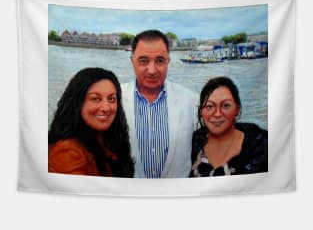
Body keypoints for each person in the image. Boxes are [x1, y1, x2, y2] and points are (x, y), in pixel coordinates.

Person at [122, 29, 197, 178]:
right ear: (132, 61)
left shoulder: (192, 101)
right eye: (143, 61)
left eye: (159, 61)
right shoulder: (114, 99)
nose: (152, 70)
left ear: (168, 61)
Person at [48, 67, 134, 177]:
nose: (106, 107)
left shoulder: (109, 141)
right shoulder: (67, 152)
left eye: (111, 99)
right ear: (77, 103)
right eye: (96, 99)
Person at [191, 76, 267, 177]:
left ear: (237, 109)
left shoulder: (261, 146)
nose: (217, 114)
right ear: (201, 112)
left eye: (226, 105)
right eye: (210, 106)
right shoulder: (192, 143)